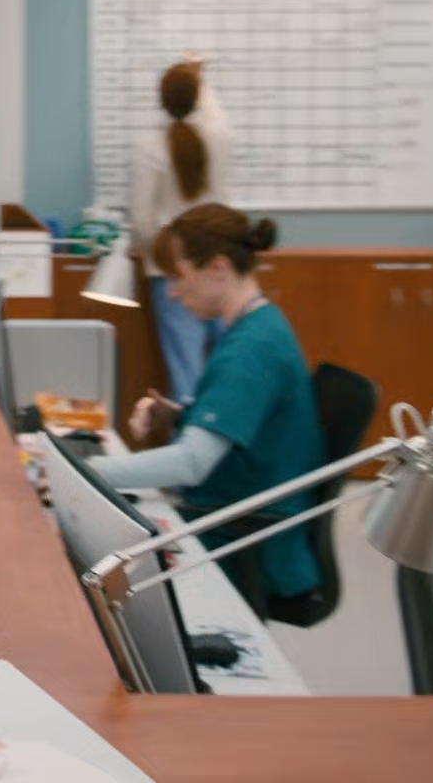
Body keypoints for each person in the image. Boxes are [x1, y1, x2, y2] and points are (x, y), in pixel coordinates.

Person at [91, 203, 322, 609]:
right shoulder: (258, 327)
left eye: (179, 276)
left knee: (91, 556)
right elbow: (242, 424)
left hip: (242, 537)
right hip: (231, 514)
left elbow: (191, 463)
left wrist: (84, 472)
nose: (173, 292)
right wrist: (177, 415)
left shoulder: (251, 349)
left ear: (218, 267)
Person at [129, 56, 234, 404]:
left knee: (186, 381)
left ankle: (189, 439)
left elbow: (141, 221)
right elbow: (214, 114)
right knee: (230, 371)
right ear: (198, 97)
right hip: (219, 268)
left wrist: (160, 252)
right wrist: (199, 78)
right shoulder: (221, 137)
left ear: (162, 102)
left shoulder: (150, 148)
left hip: (172, 274)